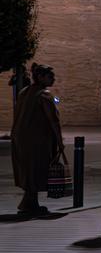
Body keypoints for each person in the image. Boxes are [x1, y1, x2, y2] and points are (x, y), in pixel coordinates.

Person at [10, 63, 64, 216]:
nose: (53, 79)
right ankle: (31, 204)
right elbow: (53, 120)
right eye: (50, 76)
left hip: (20, 138)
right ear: (40, 77)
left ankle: (27, 203)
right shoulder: (44, 95)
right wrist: (59, 141)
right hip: (37, 140)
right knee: (36, 170)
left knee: (27, 170)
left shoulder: (24, 92)